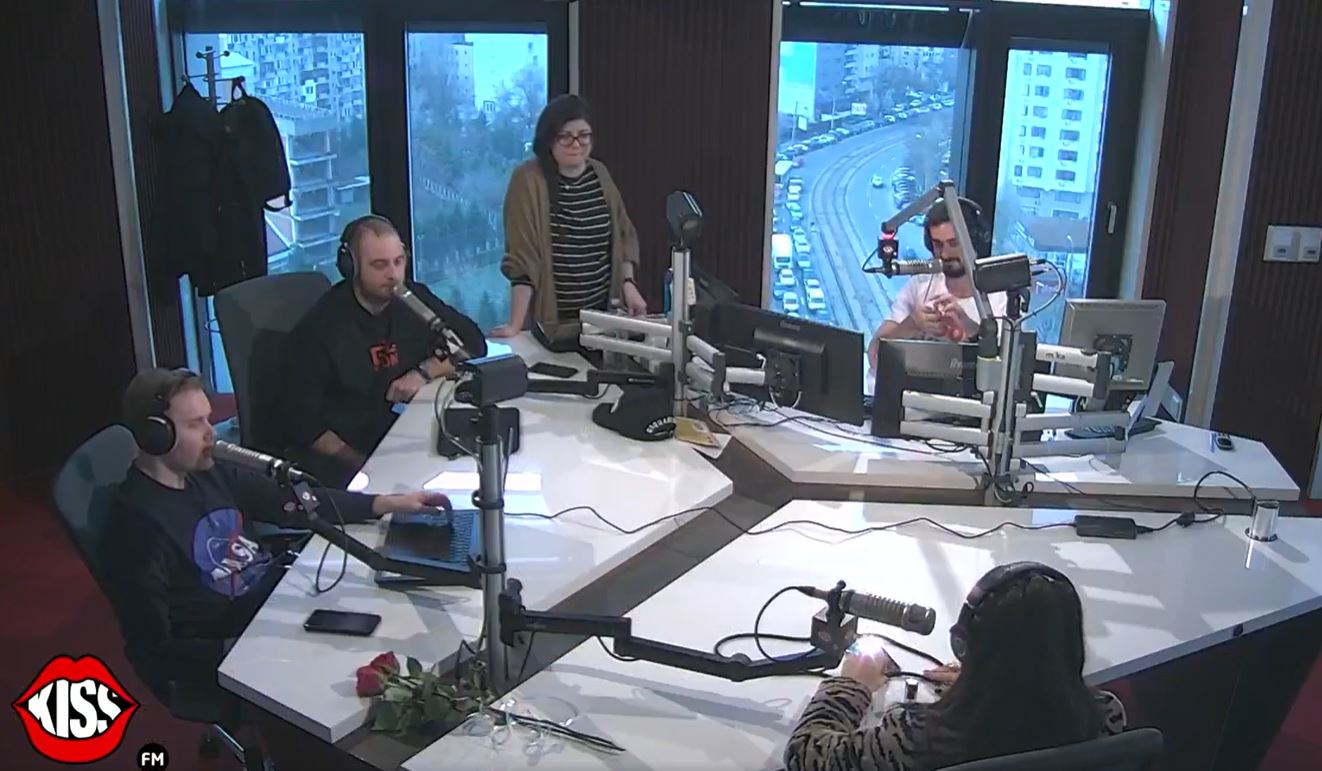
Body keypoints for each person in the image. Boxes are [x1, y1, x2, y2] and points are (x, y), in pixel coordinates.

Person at [101, 368, 452, 712]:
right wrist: (244, 652)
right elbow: (152, 650)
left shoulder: (206, 472)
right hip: (231, 641)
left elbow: (294, 504)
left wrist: (387, 503)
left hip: (275, 601)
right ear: (156, 436)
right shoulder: (137, 527)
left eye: (208, 419)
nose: (211, 433)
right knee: (354, 691)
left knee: (387, 622)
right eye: (195, 424)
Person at [784, 562, 1127, 771]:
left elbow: (804, 754)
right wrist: (990, 682)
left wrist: (850, 687)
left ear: (963, 644)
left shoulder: (918, 739)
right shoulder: (1106, 716)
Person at [277, 214, 486, 487]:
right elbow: (302, 425)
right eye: (380, 265)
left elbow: (472, 342)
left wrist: (424, 372)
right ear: (351, 267)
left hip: (405, 433)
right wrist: (363, 463)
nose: (394, 275)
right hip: (351, 456)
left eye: (399, 262)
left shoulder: (413, 299)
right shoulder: (321, 328)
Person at [491, 94, 647, 341]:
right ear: (549, 139)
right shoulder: (527, 181)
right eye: (565, 136)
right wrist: (515, 325)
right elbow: (522, 260)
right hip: (556, 325)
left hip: (604, 321)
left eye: (583, 135)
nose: (576, 144)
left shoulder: (600, 173)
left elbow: (623, 235)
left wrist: (628, 283)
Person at [867, 198, 1009, 370]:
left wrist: (972, 330)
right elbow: (874, 356)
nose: (945, 254)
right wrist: (911, 325)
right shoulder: (919, 285)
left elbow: (1008, 372)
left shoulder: (1003, 299)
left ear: (976, 241)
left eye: (954, 244)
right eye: (937, 245)